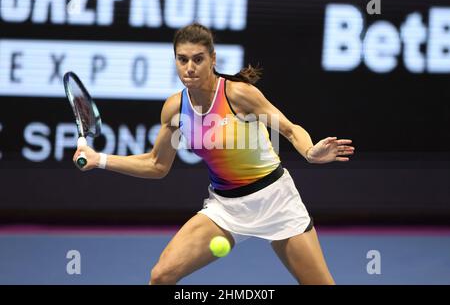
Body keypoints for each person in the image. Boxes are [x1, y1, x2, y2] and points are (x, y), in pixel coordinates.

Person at [73, 23, 354, 285]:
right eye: (182, 59)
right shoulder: (175, 108)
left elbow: (290, 130)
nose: (190, 67)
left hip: (276, 201)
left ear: (213, 59)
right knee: (160, 276)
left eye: (198, 59)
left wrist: (309, 151)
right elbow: (157, 164)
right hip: (225, 209)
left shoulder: (239, 95)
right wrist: (100, 159)